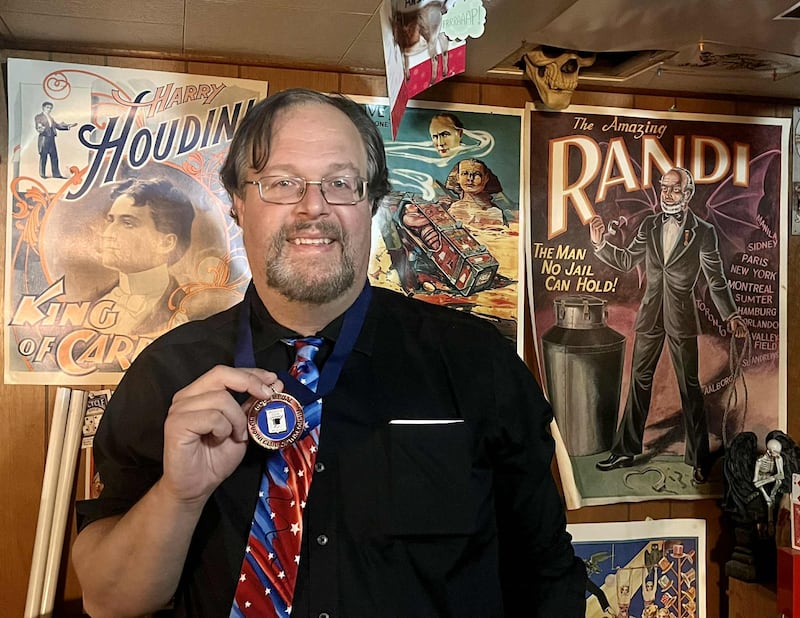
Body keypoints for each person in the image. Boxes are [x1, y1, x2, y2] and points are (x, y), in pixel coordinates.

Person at [72, 88, 585, 617]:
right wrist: (179, 496)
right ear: (238, 206)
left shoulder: (479, 363)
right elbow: (110, 600)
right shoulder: (165, 376)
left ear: (373, 206)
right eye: (281, 183)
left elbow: (545, 576)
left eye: (340, 183)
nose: (312, 207)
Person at [590, 167, 748, 484]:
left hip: (681, 317)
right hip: (650, 315)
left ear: (688, 194)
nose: (667, 194)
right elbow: (625, 260)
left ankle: (700, 458)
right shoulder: (650, 224)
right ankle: (625, 450)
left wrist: (731, 315)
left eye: (674, 190)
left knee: (689, 387)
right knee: (639, 381)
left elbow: (715, 280)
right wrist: (599, 244)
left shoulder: (703, 232)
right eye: (664, 188)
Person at [96, 177, 195, 335]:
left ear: (166, 243)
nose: (108, 234)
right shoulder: (94, 301)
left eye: (128, 223)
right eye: (110, 221)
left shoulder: (188, 314)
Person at [444, 157, 516, 227]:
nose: (470, 178)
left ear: (486, 178)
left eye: (477, 174)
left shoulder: (495, 213)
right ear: (457, 178)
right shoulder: (453, 210)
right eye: (465, 173)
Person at [34, 101, 76, 179]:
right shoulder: (38, 116)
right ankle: (42, 174)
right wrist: (40, 128)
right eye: (47, 107)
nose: (49, 109)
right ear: (43, 108)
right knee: (43, 157)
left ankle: (56, 174)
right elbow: (38, 126)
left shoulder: (51, 118)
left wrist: (68, 126)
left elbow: (57, 126)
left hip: (51, 139)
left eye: (50, 108)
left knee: (54, 157)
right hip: (44, 138)